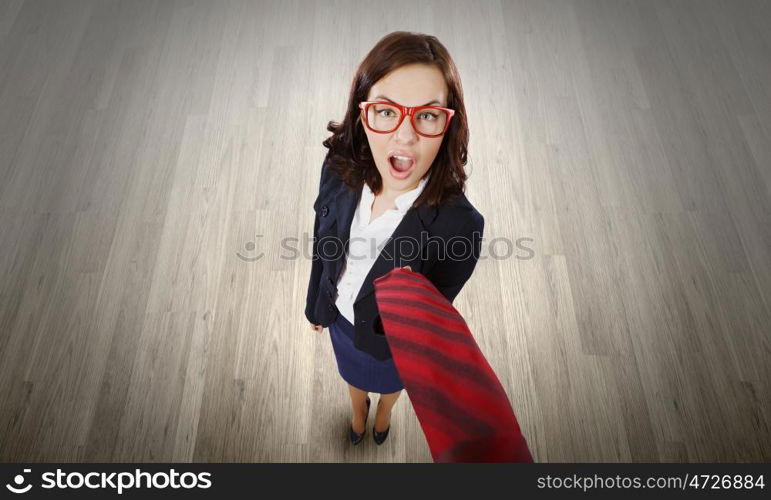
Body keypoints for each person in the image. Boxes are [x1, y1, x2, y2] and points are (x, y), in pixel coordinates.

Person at [305, 31, 484, 447]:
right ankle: (357, 410)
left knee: (389, 385)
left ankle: (384, 411)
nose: (405, 137)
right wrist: (317, 303)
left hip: (394, 346)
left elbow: (433, 308)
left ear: (448, 123)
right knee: (350, 375)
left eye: (427, 115)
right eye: (386, 111)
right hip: (340, 323)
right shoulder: (338, 166)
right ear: (362, 112)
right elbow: (323, 242)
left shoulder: (460, 226)